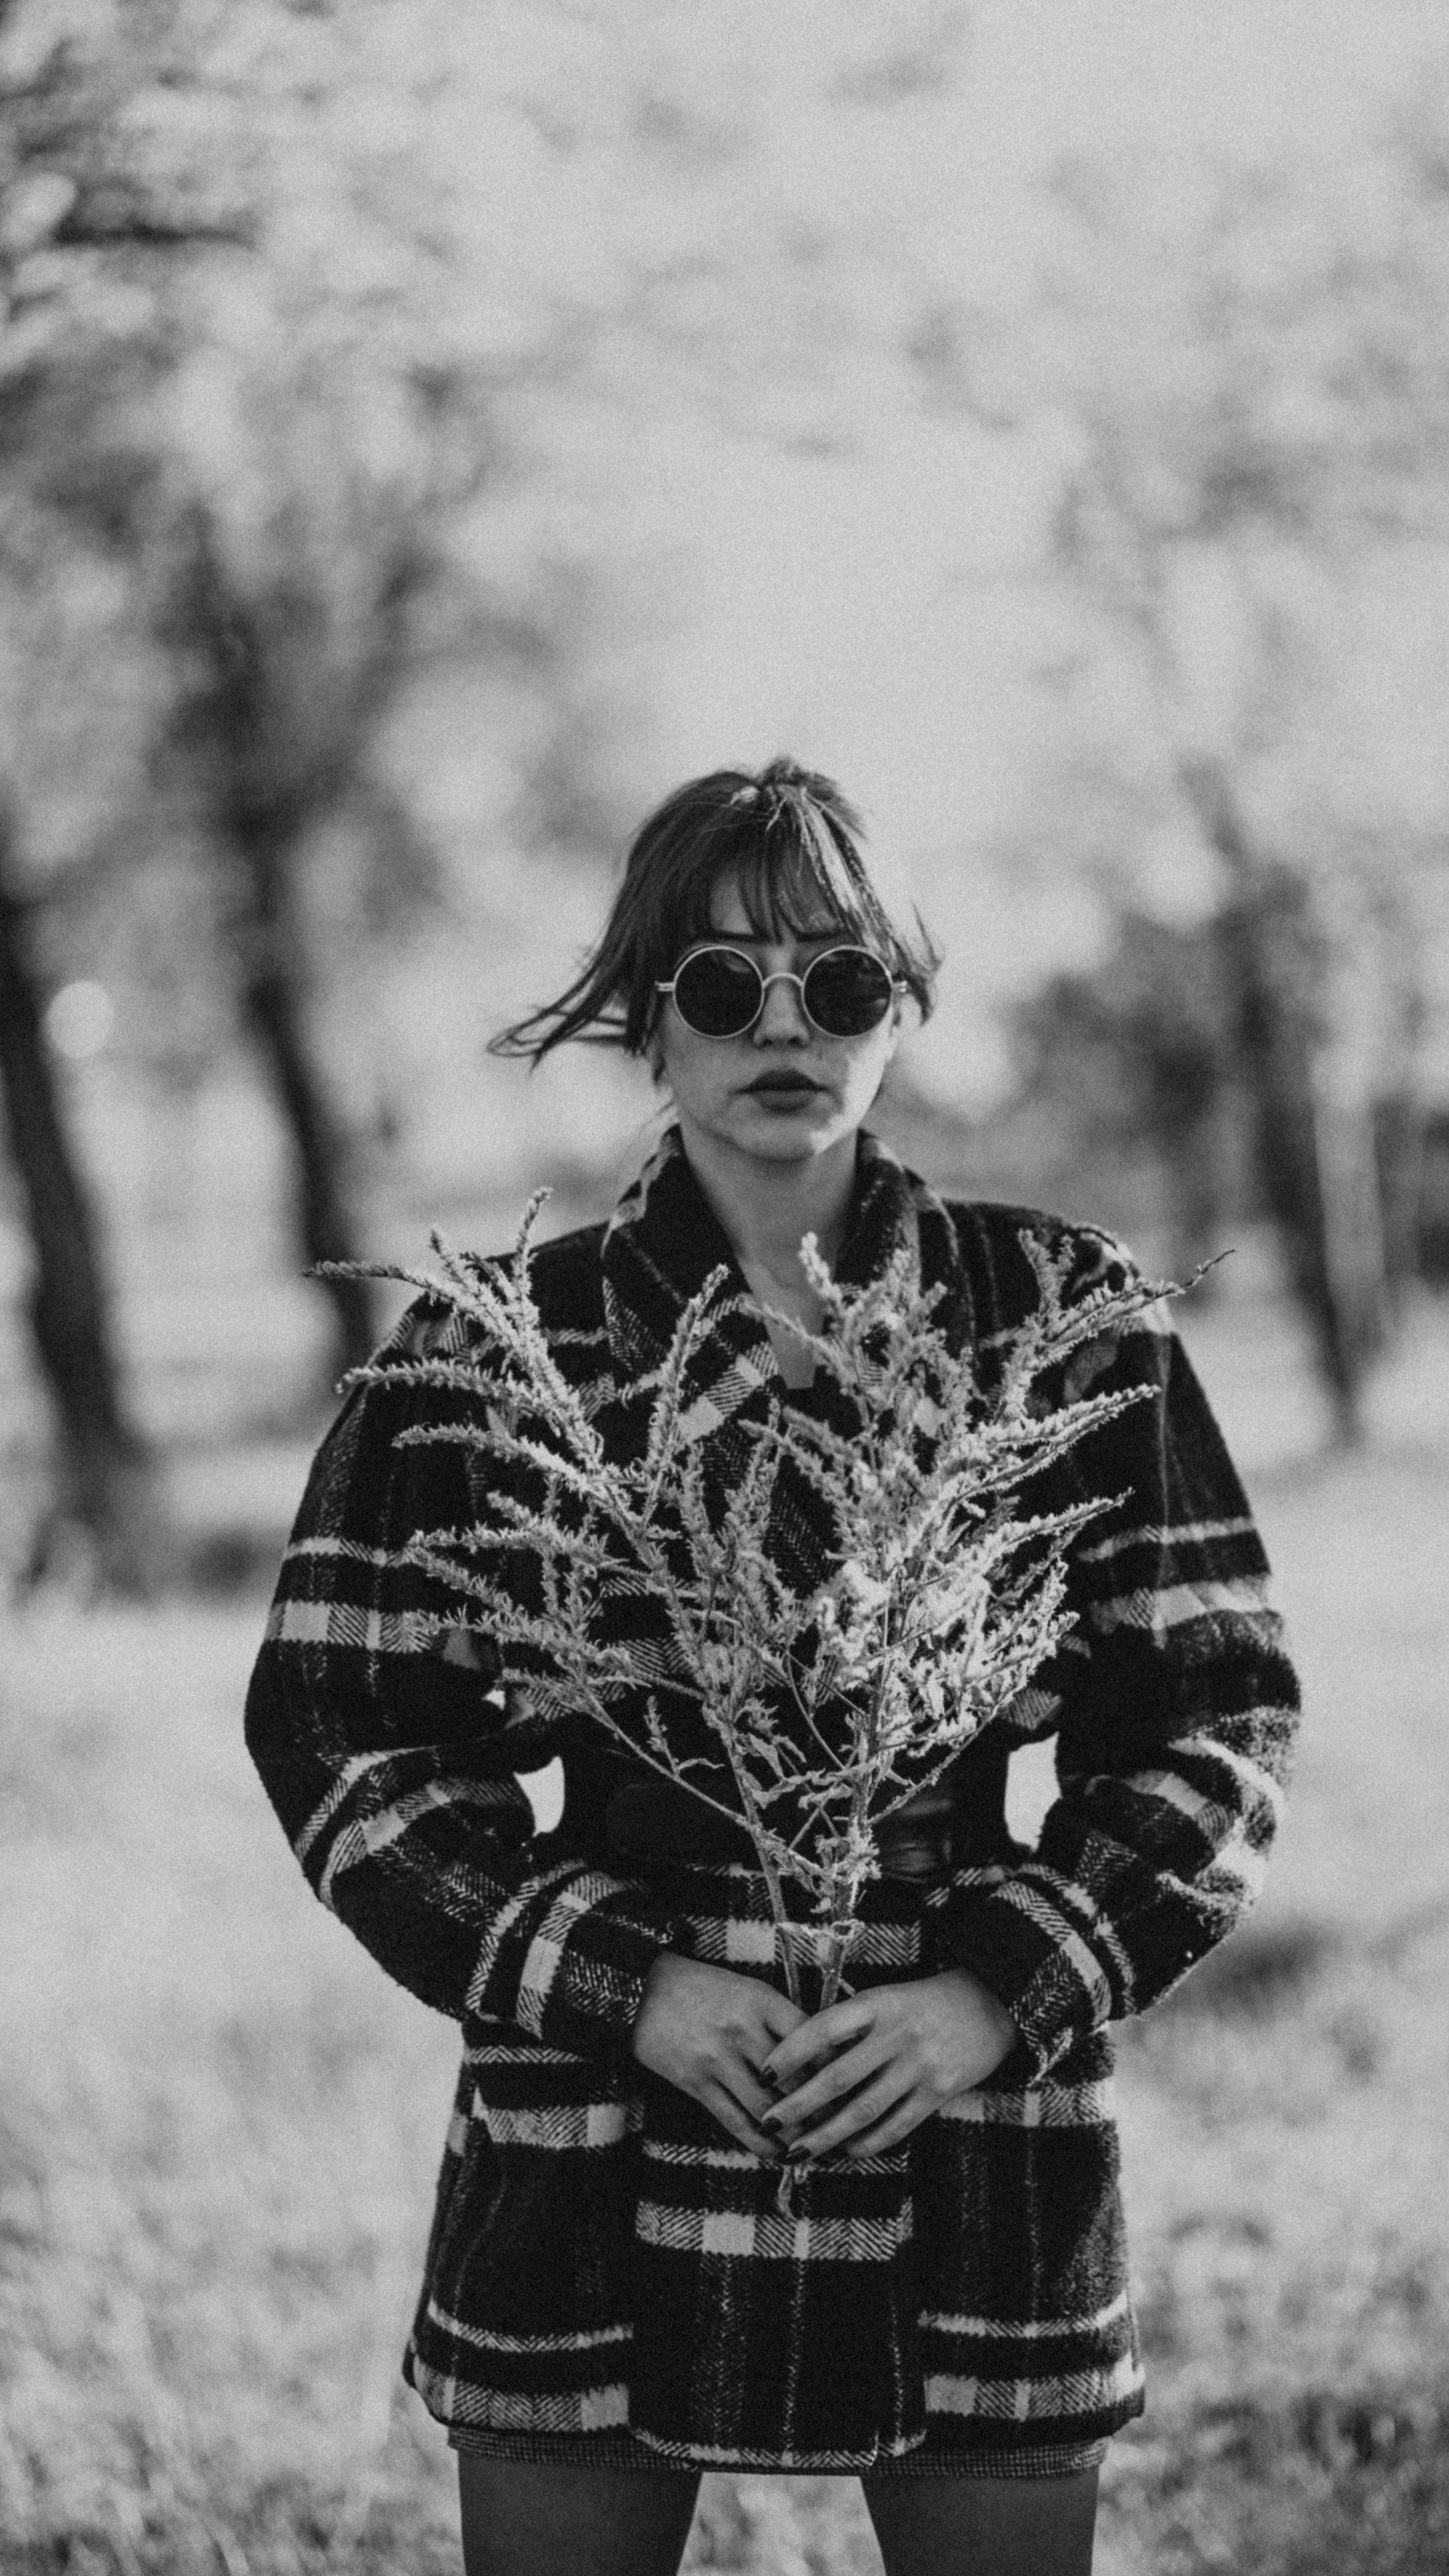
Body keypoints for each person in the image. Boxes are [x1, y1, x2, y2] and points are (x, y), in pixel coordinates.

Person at [245, 759, 1300, 2576]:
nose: (784, 1026)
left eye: (841, 981)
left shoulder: (1058, 1315)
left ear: (903, 1003)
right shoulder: (503, 1344)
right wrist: (610, 1975)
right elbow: (334, 1718)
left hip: (970, 2093)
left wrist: (995, 1988)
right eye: (724, 985)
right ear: (645, 1012)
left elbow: (1216, 1705)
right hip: (604, 2092)